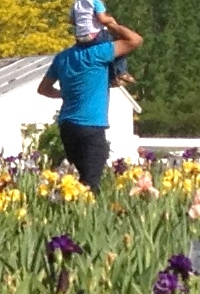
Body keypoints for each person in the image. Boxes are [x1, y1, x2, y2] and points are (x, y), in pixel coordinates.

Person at [38, 17, 143, 189]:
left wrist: (66, 94)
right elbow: (135, 40)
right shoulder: (98, 53)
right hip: (91, 125)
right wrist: (111, 24)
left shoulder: (62, 58)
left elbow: (43, 89)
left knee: (73, 180)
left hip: (67, 125)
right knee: (90, 183)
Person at [70, 0, 134, 86]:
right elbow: (102, 19)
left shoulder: (77, 3)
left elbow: (72, 20)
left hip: (80, 38)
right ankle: (121, 71)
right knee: (119, 44)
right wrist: (110, 20)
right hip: (95, 36)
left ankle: (112, 78)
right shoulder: (96, 2)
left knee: (106, 51)